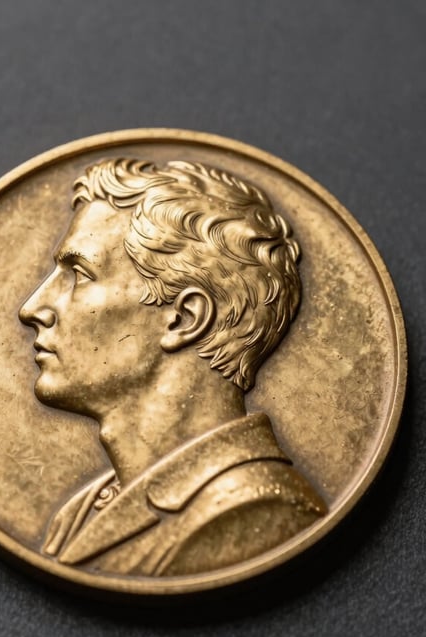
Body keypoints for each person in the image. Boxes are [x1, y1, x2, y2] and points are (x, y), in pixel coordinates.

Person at [18, 158, 326, 576]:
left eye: (79, 274)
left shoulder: (256, 510)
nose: (32, 308)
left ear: (184, 319)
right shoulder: (82, 512)